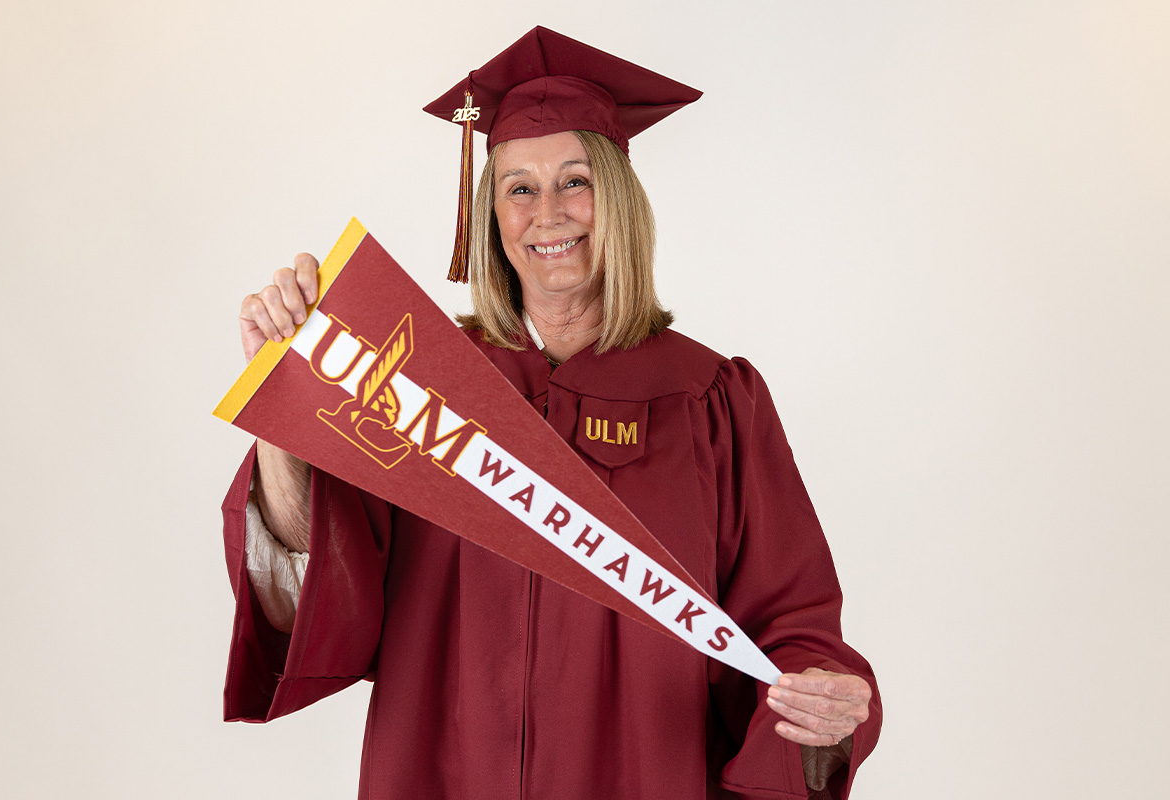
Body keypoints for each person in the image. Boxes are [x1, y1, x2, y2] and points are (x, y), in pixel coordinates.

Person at [224, 26, 881, 800]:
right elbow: (328, 585)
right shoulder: (416, 385)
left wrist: (825, 706)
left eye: (576, 180)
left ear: (619, 200)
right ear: (491, 217)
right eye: (520, 188)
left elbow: (789, 622)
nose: (549, 213)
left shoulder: (711, 400)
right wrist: (285, 404)